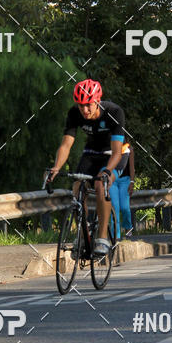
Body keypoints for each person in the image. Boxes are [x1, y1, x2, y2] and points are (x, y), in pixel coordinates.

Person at [47, 79, 124, 255]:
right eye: (81, 106)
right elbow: (66, 145)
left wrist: (106, 171)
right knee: (77, 187)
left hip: (115, 153)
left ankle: (103, 237)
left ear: (97, 101)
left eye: (88, 105)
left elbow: (117, 152)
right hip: (91, 152)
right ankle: (82, 235)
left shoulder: (114, 112)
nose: (85, 110)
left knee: (100, 184)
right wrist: (56, 167)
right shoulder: (75, 113)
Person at [110, 142, 135, 239]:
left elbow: (132, 167)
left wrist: (132, 182)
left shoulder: (129, 148)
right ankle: (116, 236)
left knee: (125, 208)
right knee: (115, 208)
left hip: (125, 181)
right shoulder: (110, 146)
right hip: (112, 180)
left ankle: (128, 228)